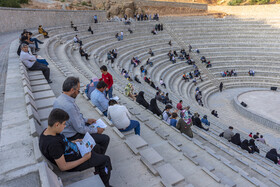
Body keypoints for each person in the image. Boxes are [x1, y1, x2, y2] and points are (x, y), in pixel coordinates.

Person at [39, 109, 112, 187]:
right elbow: (63, 167)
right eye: (64, 124)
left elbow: (63, 144)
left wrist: (74, 141)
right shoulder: (53, 144)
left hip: (76, 150)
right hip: (75, 160)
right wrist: (85, 158)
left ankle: (98, 169)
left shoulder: (49, 131)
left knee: (96, 147)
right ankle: (105, 185)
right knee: (106, 160)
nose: (65, 126)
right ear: (57, 124)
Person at [53, 77, 110, 155]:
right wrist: (97, 130)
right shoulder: (69, 106)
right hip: (73, 135)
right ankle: (98, 157)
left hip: (68, 130)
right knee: (105, 138)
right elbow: (80, 129)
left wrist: (86, 120)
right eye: (78, 90)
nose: (78, 92)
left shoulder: (59, 99)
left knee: (93, 127)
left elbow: (75, 118)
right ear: (72, 90)